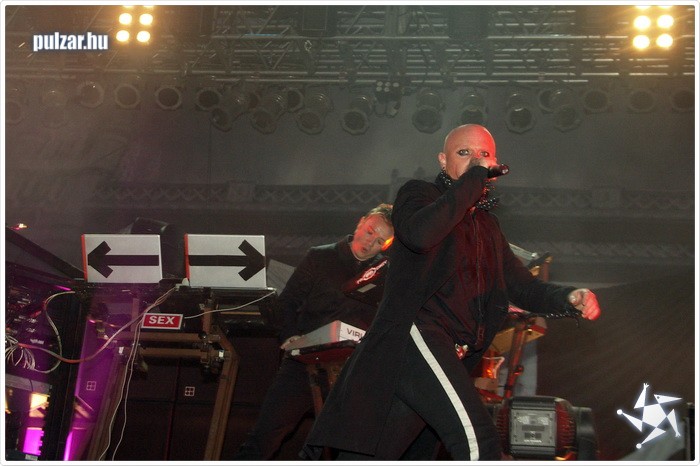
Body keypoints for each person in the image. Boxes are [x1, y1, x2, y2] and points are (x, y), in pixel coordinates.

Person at [301, 124, 602, 461]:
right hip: (416, 335)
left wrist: (568, 298)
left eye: (484, 154)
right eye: (464, 153)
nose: (476, 160)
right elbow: (420, 235)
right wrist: (474, 179)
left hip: (445, 352)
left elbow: (521, 286)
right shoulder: (418, 195)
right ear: (443, 161)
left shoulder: (488, 227)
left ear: (495, 164)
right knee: (479, 442)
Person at [233, 204, 394, 460]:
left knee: (334, 447)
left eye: (379, 241)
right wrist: (289, 336)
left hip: (351, 370)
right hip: (305, 361)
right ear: (360, 222)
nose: (370, 242)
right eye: (370, 231)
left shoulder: (386, 272)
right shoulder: (321, 257)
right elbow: (288, 302)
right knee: (266, 436)